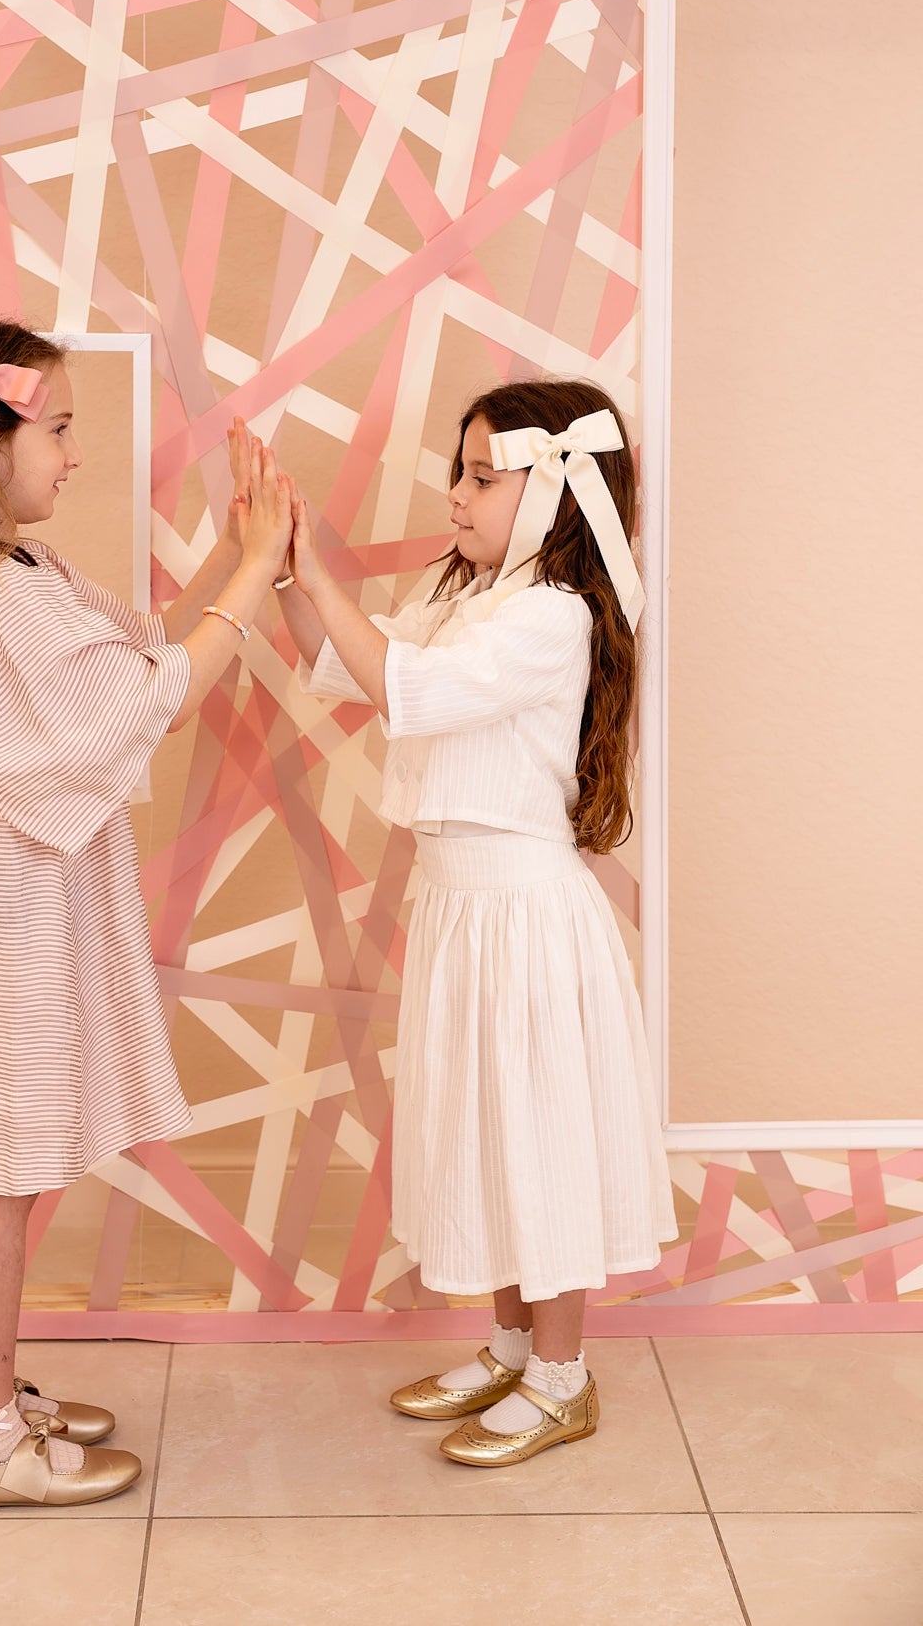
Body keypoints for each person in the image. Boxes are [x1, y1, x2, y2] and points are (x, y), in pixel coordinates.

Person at [0, 315, 290, 1509]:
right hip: (2, 935)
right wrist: (256, 571)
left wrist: (234, 554)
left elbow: (136, 655)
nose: (75, 454)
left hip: (0, 921)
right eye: (56, 430)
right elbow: (149, 700)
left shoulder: (21, 579)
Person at [269, 381, 675, 1467]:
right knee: (488, 1129)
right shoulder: (475, 596)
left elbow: (411, 690)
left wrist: (313, 574)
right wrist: (287, 566)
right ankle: (511, 1347)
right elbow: (350, 664)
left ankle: (563, 1376)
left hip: (523, 916)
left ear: (551, 494)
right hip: (461, 910)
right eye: (460, 471)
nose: (455, 493)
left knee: (536, 1132)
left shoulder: (550, 615)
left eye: (481, 477)